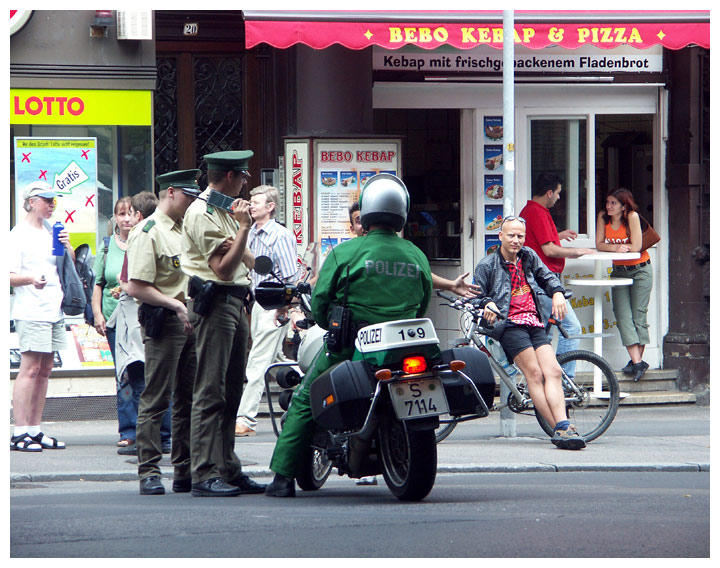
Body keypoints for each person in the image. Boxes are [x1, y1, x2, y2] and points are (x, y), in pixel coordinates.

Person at [265, 173, 433, 497]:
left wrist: (331, 325)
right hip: (406, 347)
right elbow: (422, 305)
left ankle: (282, 478)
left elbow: (322, 303)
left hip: (353, 350)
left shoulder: (346, 253)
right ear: (402, 213)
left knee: (304, 398)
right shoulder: (416, 255)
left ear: (367, 213)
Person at [181, 150, 267, 497]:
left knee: (232, 390)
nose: (247, 183)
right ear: (230, 175)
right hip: (215, 301)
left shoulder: (224, 209)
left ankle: (227, 466)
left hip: (235, 301)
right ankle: (203, 472)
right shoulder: (203, 213)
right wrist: (244, 228)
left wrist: (240, 235)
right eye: (243, 176)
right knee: (209, 390)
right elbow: (224, 268)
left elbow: (252, 261)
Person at [472, 216, 586, 450]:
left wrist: (557, 293)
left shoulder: (529, 256)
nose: (516, 240)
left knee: (553, 372)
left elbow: (548, 278)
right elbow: (476, 295)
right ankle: (561, 429)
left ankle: (562, 427)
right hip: (509, 325)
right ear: (500, 236)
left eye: (520, 236)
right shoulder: (487, 265)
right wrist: (487, 303)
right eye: (511, 235)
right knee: (535, 373)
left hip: (534, 323)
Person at [124, 170, 204, 495]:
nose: (193, 202)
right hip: (165, 321)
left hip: (191, 319)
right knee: (157, 397)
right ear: (171, 192)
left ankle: (183, 469)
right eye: (189, 196)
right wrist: (175, 305)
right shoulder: (149, 231)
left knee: (188, 397)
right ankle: (149, 471)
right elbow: (136, 286)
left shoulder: (187, 228)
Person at [92, 195, 171, 455]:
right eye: (121, 214)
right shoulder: (107, 246)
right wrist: (98, 313)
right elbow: (100, 283)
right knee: (127, 377)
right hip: (118, 320)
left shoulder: (145, 238)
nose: (126, 218)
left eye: (130, 213)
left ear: (138, 215)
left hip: (146, 318)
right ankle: (131, 431)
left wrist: (127, 288)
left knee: (151, 377)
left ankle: (159, 435)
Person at [10, 181, 73, 452]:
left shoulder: (51, 230)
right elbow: (9, 277)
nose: (51, 205)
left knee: (45, 371)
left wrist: (67, 245)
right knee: (30, 369)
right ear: (31, 201)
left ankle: (34, 429)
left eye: (54, 201)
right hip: (31, 309)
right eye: (47, 200)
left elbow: (67, 265)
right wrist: (31, 279)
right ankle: (19, 430)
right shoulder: (17, 235)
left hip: (54, 308)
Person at [235, 185, 299, 437]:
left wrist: (284, 306)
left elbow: (290, 275)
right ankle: (310, 383)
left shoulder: (280, 235)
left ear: (270, 207)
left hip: (273, 304)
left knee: (257, 362)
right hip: (256, 303)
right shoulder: (250, 232)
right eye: (250, 201)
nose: (251, 205)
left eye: (256, 202)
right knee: (276, 359)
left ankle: (245, 418)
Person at [519, 173, 594, 376]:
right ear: (549, 192)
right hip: (544, 282)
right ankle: (563, 381)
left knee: (543, 333)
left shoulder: (530, 210)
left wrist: (558, 236)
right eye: (558, 193)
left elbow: (539, 241)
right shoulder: (538, 212)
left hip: (537, 282)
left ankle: (544, 378)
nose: (559, 198)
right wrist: (576, 252)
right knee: (571, 327)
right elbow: (549, 250)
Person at [596, 188, 653, 382]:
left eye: (613, 203)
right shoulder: (603, 217)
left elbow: (636, 247)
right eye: (608, 202)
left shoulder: (632, 217)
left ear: (624, 206)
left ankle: (635, 361)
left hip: (640, 270)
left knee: (638, 315)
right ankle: (638, 363)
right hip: (619, 270)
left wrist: (623, 248)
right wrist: (616, 248)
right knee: (622, 315)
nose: (608, 206)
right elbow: (599, 244)